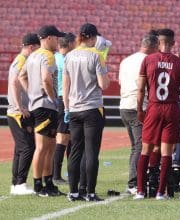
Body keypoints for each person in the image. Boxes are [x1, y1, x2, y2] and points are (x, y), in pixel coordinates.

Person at [134, 28, 180, 200]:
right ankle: (160, 192)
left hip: (154, 107)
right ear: (173, 43)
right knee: (166, 152)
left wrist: (139, 109)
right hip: (171, 108)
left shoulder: (148, 60)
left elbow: (141, 88)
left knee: (146, 150)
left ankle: (140, 191)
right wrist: (175, 89)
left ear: (158, 42)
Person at [63, 23, 110, 202]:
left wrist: (67, 108)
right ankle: (90, 192)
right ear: (91, 37)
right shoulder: (96, 55)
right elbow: (103, 84)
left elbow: (65, 85)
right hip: (92, 108)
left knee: (75, 151)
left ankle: (73, 191)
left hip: (74, 109)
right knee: (91, 152)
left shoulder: (69, 56)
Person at [18, 25, 66, 197]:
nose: (59, 41)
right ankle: (39, 185)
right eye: (57, 38)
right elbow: (46, 78)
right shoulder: (47, 55)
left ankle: (48, 182)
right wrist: (52, 98)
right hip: (46, 106)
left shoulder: (32, 56)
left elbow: (21, 76)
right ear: (49, 38)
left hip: (39, 105)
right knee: (43, 147)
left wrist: (31, 93)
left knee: (50, 147)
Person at [119, 33, 159, 195]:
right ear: (153, 47)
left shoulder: (126, 60)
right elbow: (147, 86)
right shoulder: (148, 61)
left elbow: (121, 82)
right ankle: (134, 182)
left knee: (136, 146)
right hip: (138, 106)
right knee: (140, 146)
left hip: (124, 106)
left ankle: (134, 180)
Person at [7, 33, 40, 195]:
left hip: (16, 111)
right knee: (28, 147)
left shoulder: (20, 60)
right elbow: (14, 81)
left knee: (20, 148)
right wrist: (20, 107)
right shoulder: (22, 60)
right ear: (32, 47)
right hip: (18, 112)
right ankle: (20, 183)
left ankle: (16, 184)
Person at [53, 33, 76, 184]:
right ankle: (56, 175)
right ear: (68, 44)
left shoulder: (55, 57)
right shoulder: (64, 59)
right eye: (73, 43)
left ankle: (67, 173)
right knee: (63, 137)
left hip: (61, 99)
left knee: (69, 137)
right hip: (64, 99)